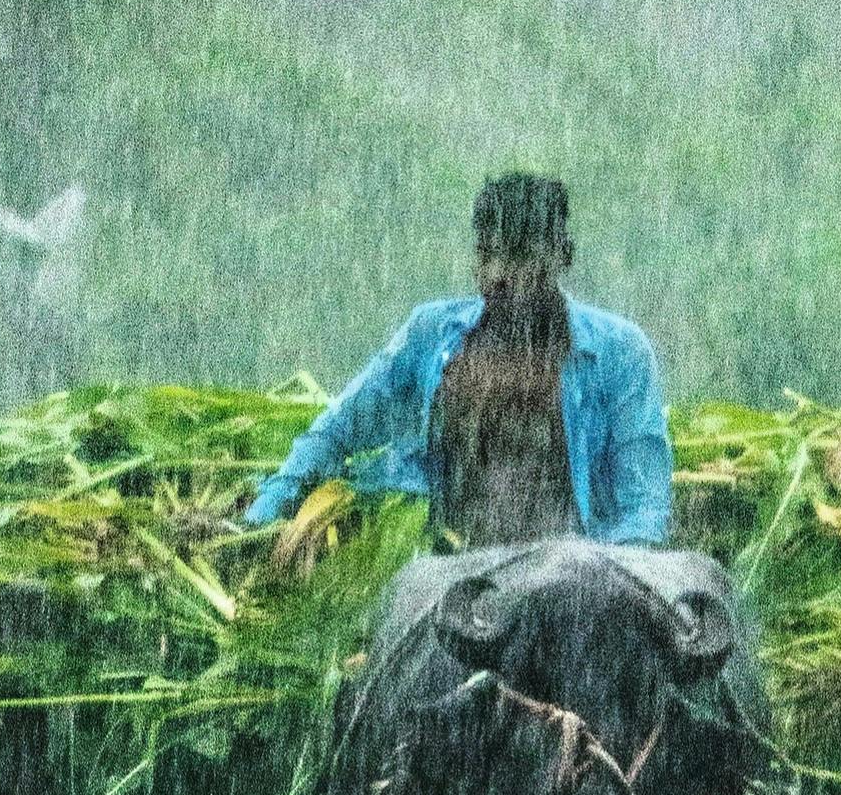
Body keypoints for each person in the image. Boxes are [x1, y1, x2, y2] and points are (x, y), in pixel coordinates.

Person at [245, 174, 673, 548]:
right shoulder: (432, 336)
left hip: (572, 569)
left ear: (562, 255)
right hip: (439, 563)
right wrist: (263, 516)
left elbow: (644, 506)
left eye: (521, 255)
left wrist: (609, 586)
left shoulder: (619, 353)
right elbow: (338, 429)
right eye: (489, 254)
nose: (501, 273)